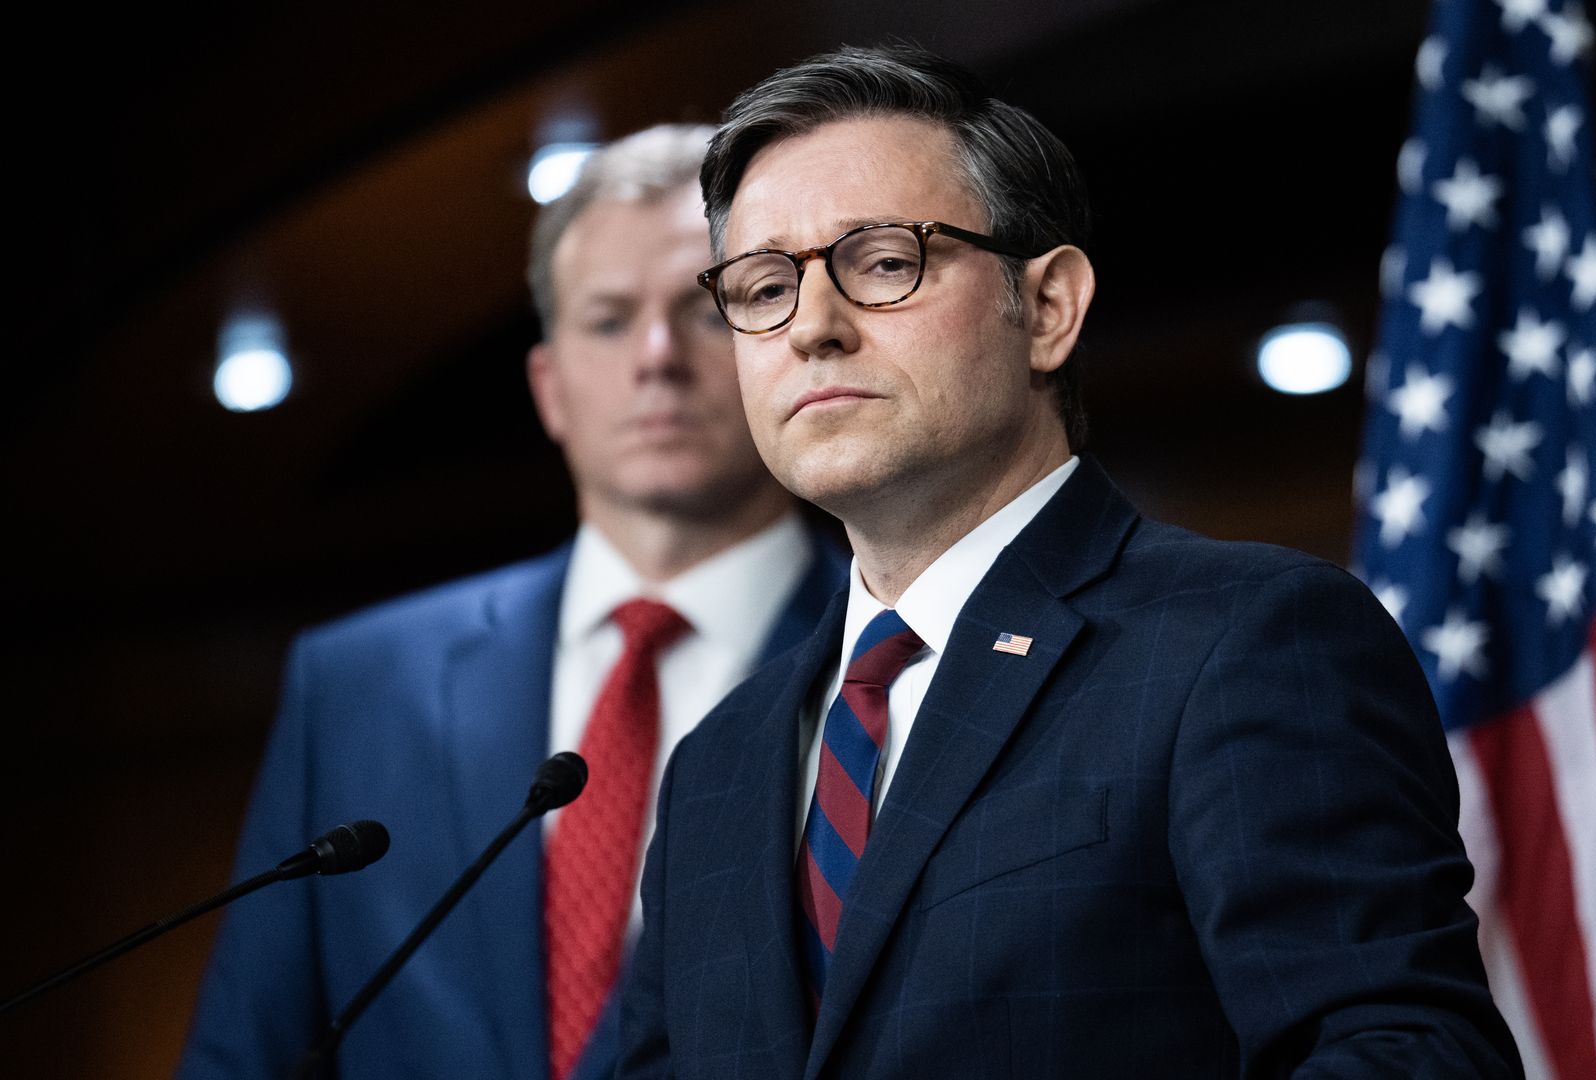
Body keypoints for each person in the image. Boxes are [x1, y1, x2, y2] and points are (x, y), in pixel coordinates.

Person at [617, 46, 1522, 1079]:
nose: (812, 328)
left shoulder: (1247, 637)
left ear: (1047, 307)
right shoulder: (720, 764)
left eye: (882, 262)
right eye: (764, 286)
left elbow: (1405, 1054)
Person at [177, 125, 846, 1080]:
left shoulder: (893, 655)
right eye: (609, 320)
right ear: (549, 388)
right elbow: (246, 1053)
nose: (655, 356)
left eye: (706, 310)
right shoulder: (356, 682)